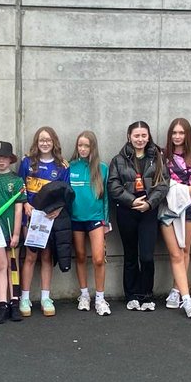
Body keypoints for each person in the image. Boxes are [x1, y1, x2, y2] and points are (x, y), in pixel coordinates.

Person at [108, 121, 167, 311]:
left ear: (148, 137)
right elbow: (113, 186)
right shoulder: (118, 160)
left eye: (143, 135)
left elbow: (163, 184)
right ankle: (132, 295)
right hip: (127, 212)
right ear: (129, 137)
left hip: (149, 212)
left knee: (147, 256)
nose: (140, 139)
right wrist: (132, 201)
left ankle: (147, 295)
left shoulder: (157, 157)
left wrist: (149, 203)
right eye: (136, 136)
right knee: (131, 255)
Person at [18, 127, 69, 317]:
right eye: (41, 140)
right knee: (30, 257)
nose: (45, 143)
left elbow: (66, 192)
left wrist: (58, 209)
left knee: (47, 256)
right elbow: (19, 186)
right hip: (31, 217)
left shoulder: (62, 166)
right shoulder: (27, 163)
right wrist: (25, 205)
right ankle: (25, 297)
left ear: (54, 142)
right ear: (36, 142)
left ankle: (46, 297)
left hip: (49, 218)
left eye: (48, 140)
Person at [159, 118, 191, 318]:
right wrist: (173, 193)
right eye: (174, 133)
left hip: (190, 208)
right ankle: (186, 297)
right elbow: (160, 184)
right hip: (167, 209)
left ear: (187, 135)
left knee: (184, 250)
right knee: (175, 253)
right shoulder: (162, 156)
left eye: (181, 133)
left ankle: (177, 290)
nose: (177, 137)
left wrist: (179, 192)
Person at [69, 130, 110, 316]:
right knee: (79, 256)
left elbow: (107, 198)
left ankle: (100, 298)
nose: (83, 149)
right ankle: (84, 294)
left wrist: (106, 221)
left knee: (99, 259)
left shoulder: (102, 168)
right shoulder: (70, 167)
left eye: (87, 145)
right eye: (80, 145)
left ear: (93, 147)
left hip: (96, 219)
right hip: (76, 219)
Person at [0, 141, 25, 323]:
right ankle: (2, 303)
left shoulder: (17, 181)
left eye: (5, 157)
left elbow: (19, 210)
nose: (1, 160)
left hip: (11, 230)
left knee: (13, 265)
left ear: (10, 159)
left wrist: (16, 234)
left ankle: (14, 302)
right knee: (0, 265)